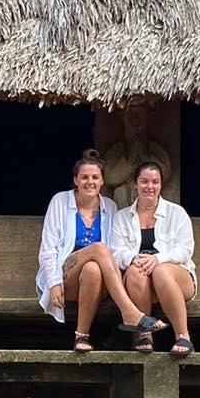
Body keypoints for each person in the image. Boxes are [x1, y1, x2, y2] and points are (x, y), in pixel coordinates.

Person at [37, 149, 165, 353]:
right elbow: (48, 249)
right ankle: (129, 311)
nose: (90, 182)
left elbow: (113, 252)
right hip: (65, 280)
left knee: (93, 269)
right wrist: (53, 283)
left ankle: (81, 336)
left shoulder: (110, 206)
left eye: (95, 177)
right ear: (75, 180)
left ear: (102, 181)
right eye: (84, 177)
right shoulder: (60, 201)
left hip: (97, 282)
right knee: (98, 248)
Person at [111, 159, 197, 357]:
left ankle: (183, 336)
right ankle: (145, 333)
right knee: (134, 271)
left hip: (175, 279)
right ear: (135, 183)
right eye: (144, 181)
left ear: (161, 184)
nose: (150, 187)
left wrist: (158, 259)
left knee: (160, 271)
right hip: (141, 281)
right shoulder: (122, 217)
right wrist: (134, 258)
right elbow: (116, 251)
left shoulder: (177, 213)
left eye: (155, 182)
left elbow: (185, 250)